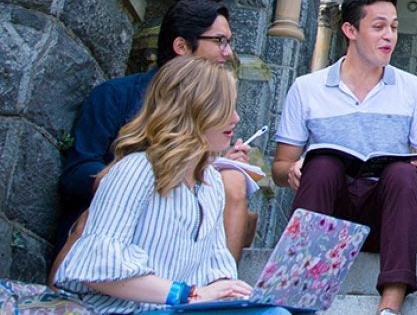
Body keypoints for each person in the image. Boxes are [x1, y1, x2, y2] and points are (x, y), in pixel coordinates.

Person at [53, 56, 289, 315]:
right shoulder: (136, 170)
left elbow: (216, 268)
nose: (236, 118)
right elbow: (95, 267)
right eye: (225, 108)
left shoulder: (211, 183)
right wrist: (188, 294)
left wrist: (235, 293)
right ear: (194, 110)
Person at [271, 0, 417, 315]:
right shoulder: (307, 89)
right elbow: (280, 166)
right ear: (350, 30)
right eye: (378, 27)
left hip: (385, 217)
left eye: (393, 26)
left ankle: (390, 306)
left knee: (403, 172)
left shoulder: (413, 89)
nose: (389, 36)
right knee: (321, 166)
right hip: (328, 214)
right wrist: (292, 171)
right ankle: (296, 299)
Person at [58, 0, 258, 266]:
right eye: (219, 41)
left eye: (229, 43)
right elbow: (76, 173)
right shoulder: (116, 96)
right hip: (116, 235)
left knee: (233, 180)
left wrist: (213, 163)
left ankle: (222, 289)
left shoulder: (212, 109)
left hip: (179, 237)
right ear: (181, 46)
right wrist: (139, 178)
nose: (228, 53)